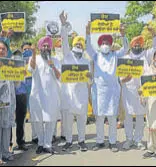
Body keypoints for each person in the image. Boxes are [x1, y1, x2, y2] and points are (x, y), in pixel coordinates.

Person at [85, 20, 128, 152]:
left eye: (107, 43)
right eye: (103, 43)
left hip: (113, 90)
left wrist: (123, 35)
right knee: (99, 117)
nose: (105, 45)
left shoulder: (115, 55)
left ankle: (112, 142)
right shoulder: (96, 55)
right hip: (98, 91)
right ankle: (99, 141)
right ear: (100, 45)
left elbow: (125, 48)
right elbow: (88, 47)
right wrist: (87, 33)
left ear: (110, 45)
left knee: (112, 117)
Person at [121, 27, 156, 151]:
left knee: (139, 117)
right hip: (128, 91)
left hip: (142, 92)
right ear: (131, 45)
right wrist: (125, 79)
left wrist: (153, 35)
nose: (137, 45)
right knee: (128, 116)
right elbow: (120, 78)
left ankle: (138, 140)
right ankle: (128, 139)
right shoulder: (125, 59)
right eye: (135, 44)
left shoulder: (146, 55)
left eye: (139, 44)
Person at [59, 11, 92, 152]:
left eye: (80, 44)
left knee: (82, 120)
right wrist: (63, 24)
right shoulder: (67, 55)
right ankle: (68, 140)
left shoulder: (86, 60)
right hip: (68, 95)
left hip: (82, 94)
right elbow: (64, 40)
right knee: (67, 121)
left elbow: (90, 80)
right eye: (77, 43)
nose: (78, 45)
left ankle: (82, 140)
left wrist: (90, 76)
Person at [28, 36, 61, 155]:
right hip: (37, 96)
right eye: (44, 46)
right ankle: (41, 143)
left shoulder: (55, 60)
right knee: (37, 120)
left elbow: (59, 76)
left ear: (50, 48)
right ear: (40, 47)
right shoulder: (35, 58)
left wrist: (52, 65)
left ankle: (48, 144)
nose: (46, 48)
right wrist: (32, 53)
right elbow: (31, 69)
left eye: (48, 46)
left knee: (50, 121)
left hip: (51, 96)